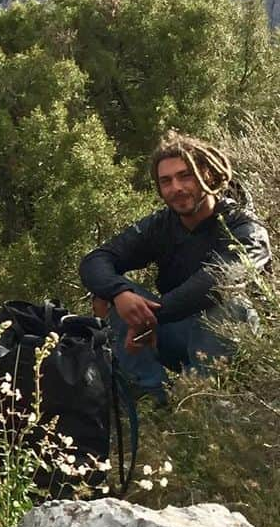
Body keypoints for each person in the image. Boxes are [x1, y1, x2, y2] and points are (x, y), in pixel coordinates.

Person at [79, 132, 271, 404]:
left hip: (239, 341)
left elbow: (217, 281)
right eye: (166, 181)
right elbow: (96, 261)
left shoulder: (244, 226)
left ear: (208, 175)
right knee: (111, 295)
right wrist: (120, 293)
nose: (176, 187)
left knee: (231, 304)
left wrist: (152, 319)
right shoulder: (161, 225)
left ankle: (200, 400)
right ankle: (154, 397)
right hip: (174, 331)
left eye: (186, 176)